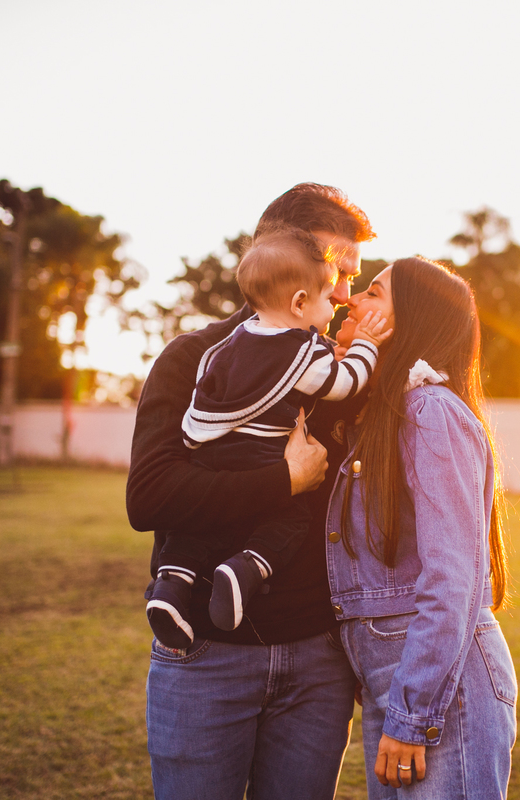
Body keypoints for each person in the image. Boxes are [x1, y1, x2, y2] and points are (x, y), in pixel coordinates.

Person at [127, 183, 374, 800]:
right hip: (207, 655)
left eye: (353, 274)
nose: (344, 290)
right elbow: (149, 497)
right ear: (280, 252)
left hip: (320, 660)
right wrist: (282, 481)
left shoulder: (332, 366)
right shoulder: (194, 358)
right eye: (337, 267)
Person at [325, 257, 518, 799]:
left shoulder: (430, 411)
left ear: (407, 323)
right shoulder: (382, 417)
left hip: (438, 690)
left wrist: (413, 716)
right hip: (404, 682)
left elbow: (452, 578)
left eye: (374, 294)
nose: (352, 300)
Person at [146, 225, 391, 644]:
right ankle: (246, 569)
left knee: (192, 535)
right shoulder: (301, 353)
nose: (342, 298)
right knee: (291, 517)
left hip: (209, 450)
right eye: (333, 283)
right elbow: (345, 381)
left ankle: (171, 585)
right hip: (261, 456)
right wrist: (367, 345)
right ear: (299, 301)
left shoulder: (227, 347)